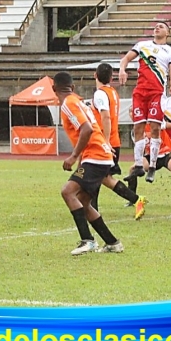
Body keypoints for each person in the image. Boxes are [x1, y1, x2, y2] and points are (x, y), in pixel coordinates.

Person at [53, 72, 124, 256]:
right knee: (84, 202)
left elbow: (86, 129)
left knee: (67, 192)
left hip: (95, 155)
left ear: (54, 89)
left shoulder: (68, 103)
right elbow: (95, 127)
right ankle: (112, 242)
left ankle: (88, 240)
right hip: (99, 154)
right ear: (73, 87)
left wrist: (74, 156)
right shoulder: (79, 101)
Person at [120, 22, 171, 183]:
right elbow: (126, 58)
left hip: (156, 93)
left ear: (168, 32)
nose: (157, 27)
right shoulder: (142, 45)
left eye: (162, 26)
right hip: (140, 92)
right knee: (138, 127)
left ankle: (152, 166)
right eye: (156, 26)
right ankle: (139, 165)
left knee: (155, 128)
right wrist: (122, 69)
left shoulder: (170, 52)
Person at [91, 63, 146, 218]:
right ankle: (92, 209)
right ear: (111, 78)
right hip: (113, 140)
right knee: (101, 177)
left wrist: (105, 141)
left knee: (96, 176)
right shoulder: (113, 92)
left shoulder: (100, 94)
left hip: (105, 142)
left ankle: (136, 200)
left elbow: (106, 116)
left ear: (95, 75)